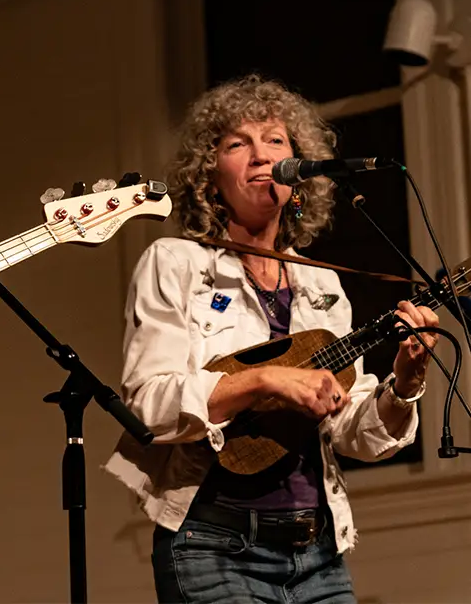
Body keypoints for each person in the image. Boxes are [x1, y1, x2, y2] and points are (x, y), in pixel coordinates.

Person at [104, 76, 438, 603]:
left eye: (276, 141)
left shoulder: (321, 283)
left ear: (300, 170)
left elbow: (353, 433)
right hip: (212, 546)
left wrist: (406, 382)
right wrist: (262, 381)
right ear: (209, 176)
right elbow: (148, 407)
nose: (262, 156)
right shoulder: (175, 263)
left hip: (319, 551)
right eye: (238, 144)